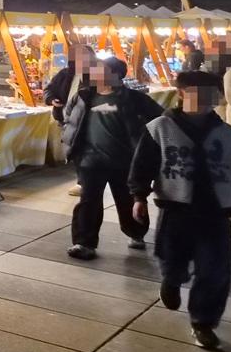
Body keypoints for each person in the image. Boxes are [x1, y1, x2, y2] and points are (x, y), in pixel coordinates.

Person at [129, 71, 231, 350]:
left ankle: (203, 322)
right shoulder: (159, 128)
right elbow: (142, 165)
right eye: (198, 92)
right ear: (182, 93)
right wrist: (138, 196)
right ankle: (172, 279)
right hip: (176, 209)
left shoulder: (228, 134)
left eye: (211, 94)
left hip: (217, 212)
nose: (205, 100)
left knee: (215, 269)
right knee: (173, 257)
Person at [62, 56, 162, 260]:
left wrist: (148, 145)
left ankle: (136, 233)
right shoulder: (83, 95)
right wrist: (71, 142)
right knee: (88, 201)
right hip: (90, 161)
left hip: (125, 160)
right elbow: (68, 117)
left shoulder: (134, 98)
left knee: (126, 200)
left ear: (117, 75)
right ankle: (84, 242)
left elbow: (161, 118)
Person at [44, 44, 97, 197]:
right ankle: (83, 180)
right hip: (65, 119)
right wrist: (51, 99)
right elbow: (49, 89)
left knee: (83, 150)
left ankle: (84, 182)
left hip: (86, 121)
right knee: (74, 150)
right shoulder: (66, 74)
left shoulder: (96, 76)